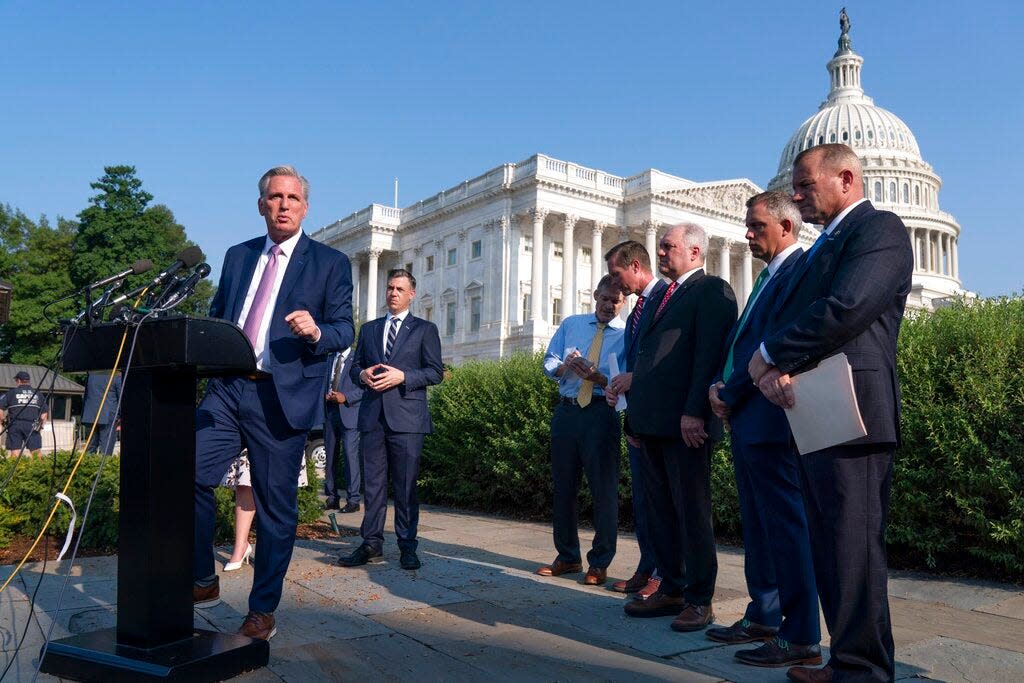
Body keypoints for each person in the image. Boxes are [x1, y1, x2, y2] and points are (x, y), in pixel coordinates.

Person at [748, 144, 912, 683]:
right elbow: (801, 316)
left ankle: (864, 670)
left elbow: (847, 308)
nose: (795, 195)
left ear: (845, 178)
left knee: (855, 550)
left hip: (856, 413)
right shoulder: (826, 245)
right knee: (829, 545)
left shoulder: (880, 229)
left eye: (804, 184)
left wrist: (770, 355)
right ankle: (846, 659)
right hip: (820, 407)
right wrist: (777, 366)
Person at [191, 165, 354, 642]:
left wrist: (318, 331)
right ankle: (203, 578)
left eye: (293, 198)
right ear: (261, 204)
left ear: (305, 207)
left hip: (281, 397)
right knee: (187, 474)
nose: (284, 205)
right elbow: (220, 315)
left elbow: (345, 328)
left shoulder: (329, 263)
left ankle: (262, 610)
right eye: (275, 197)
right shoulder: (237, 256)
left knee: (276, 509)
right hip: (227, 389)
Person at [706, 191, 821, 668]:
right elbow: (745, 344)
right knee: (758, 526)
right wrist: (722, 387)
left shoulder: (799, 272)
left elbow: (773, 349)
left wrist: (727, 392)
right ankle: (765, 614)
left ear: (787, 228)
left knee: (786, 527)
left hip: (771, 417)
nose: (746, 234)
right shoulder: (767, 278)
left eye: (755, 226)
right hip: (749, 417)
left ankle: (801, 636)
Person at [620, 223, 737, 633]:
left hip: (685, 425)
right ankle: (670, 586)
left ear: (694, 251)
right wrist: (633, 419)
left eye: (668, 246)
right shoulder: (659, 299)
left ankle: (699, 598)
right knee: (660, 512)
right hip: (651, 424)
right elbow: (647, 363)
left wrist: (695, 412)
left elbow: (708, 357)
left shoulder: (713, 291)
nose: (661, 251)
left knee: (691, 513)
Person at [338, 269, 443, 571]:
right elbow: (356, 366)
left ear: (412, 294)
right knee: (373, 487)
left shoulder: (425, 329)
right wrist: (361, 374)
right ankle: (370, 544)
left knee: (406, 486)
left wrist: (404, 376)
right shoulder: (369, 329)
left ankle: (407, 546)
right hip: (372, 418)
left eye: (400, 288)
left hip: (408, 420)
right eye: (390, 288)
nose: (393, 293)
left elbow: (435, 372)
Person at [535, 274, 626, 586]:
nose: (608, 306)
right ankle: (568, 556)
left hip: (602, 413)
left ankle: (600, 562)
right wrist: (565, 368)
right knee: (563, 487)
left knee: (603, 491)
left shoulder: (628, 335)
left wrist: (598, 377)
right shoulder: (571, 323)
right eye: (604, 299)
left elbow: (625, 381)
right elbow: (549, 361)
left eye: (615, 301)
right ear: (595, 296)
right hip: (567, 410)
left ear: (623, 302)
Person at [603, 241, 666, 598]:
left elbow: (665, 360)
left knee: (662, 502)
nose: (616, 285)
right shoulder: (638, 310)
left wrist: (635, 380)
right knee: (643, 500)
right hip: (637, 417)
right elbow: (635, 361)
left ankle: (665, 572)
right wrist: (619, 390)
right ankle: (648, 564)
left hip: (661, 418)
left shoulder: (663, 301)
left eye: (616, 274)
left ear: (636, 266)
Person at [220, 449, 309, 571]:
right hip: (250, 431)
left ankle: (274, 550)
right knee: (245, 480)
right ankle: (241, 546)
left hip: (281, 434)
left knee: (280, 481)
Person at [323, 347, 363, 512]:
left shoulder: (359, 358)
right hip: (329, 412)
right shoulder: (329, 357)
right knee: (330, 457)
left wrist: (346, 397)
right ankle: (332, 498)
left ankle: (353, 500)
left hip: (350, 412)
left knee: (350, 457)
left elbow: (366, 388)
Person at [1, 370, 48, 458]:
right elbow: (44, 414)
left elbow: (0, 409)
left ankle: (16, 471)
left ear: (18, 381)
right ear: (28, 381)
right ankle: (41, 470)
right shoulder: (38, 394)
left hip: (15, 425)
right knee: (36, 452)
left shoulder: (11, 393)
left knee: (15, 452)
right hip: (32, 425)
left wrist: (3, 421)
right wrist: (40, 427)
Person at [80, 371, 121, 454]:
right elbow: (121, 398)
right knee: (106, 451)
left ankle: (88, 466)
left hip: (90, 415)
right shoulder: (116, 375)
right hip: (108, 417)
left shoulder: (91, 375)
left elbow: (86, 396)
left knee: (90, 450)